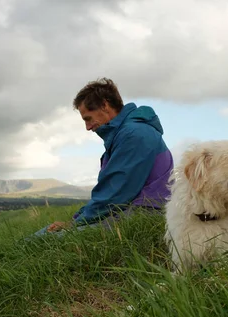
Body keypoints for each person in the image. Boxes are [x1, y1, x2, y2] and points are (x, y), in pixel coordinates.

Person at [34, 77, 174, 236]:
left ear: (105, 105)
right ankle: (4, 254)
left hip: (147, 211)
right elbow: (109, 192)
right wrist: (75, 219)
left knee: (56, 238)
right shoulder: (125, 135)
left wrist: (73, 224)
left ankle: (4, 255)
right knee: (49, 234)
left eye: (88, 118)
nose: (87, 127)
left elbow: (115, 194)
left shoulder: (134, 135)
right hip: (135, 208)